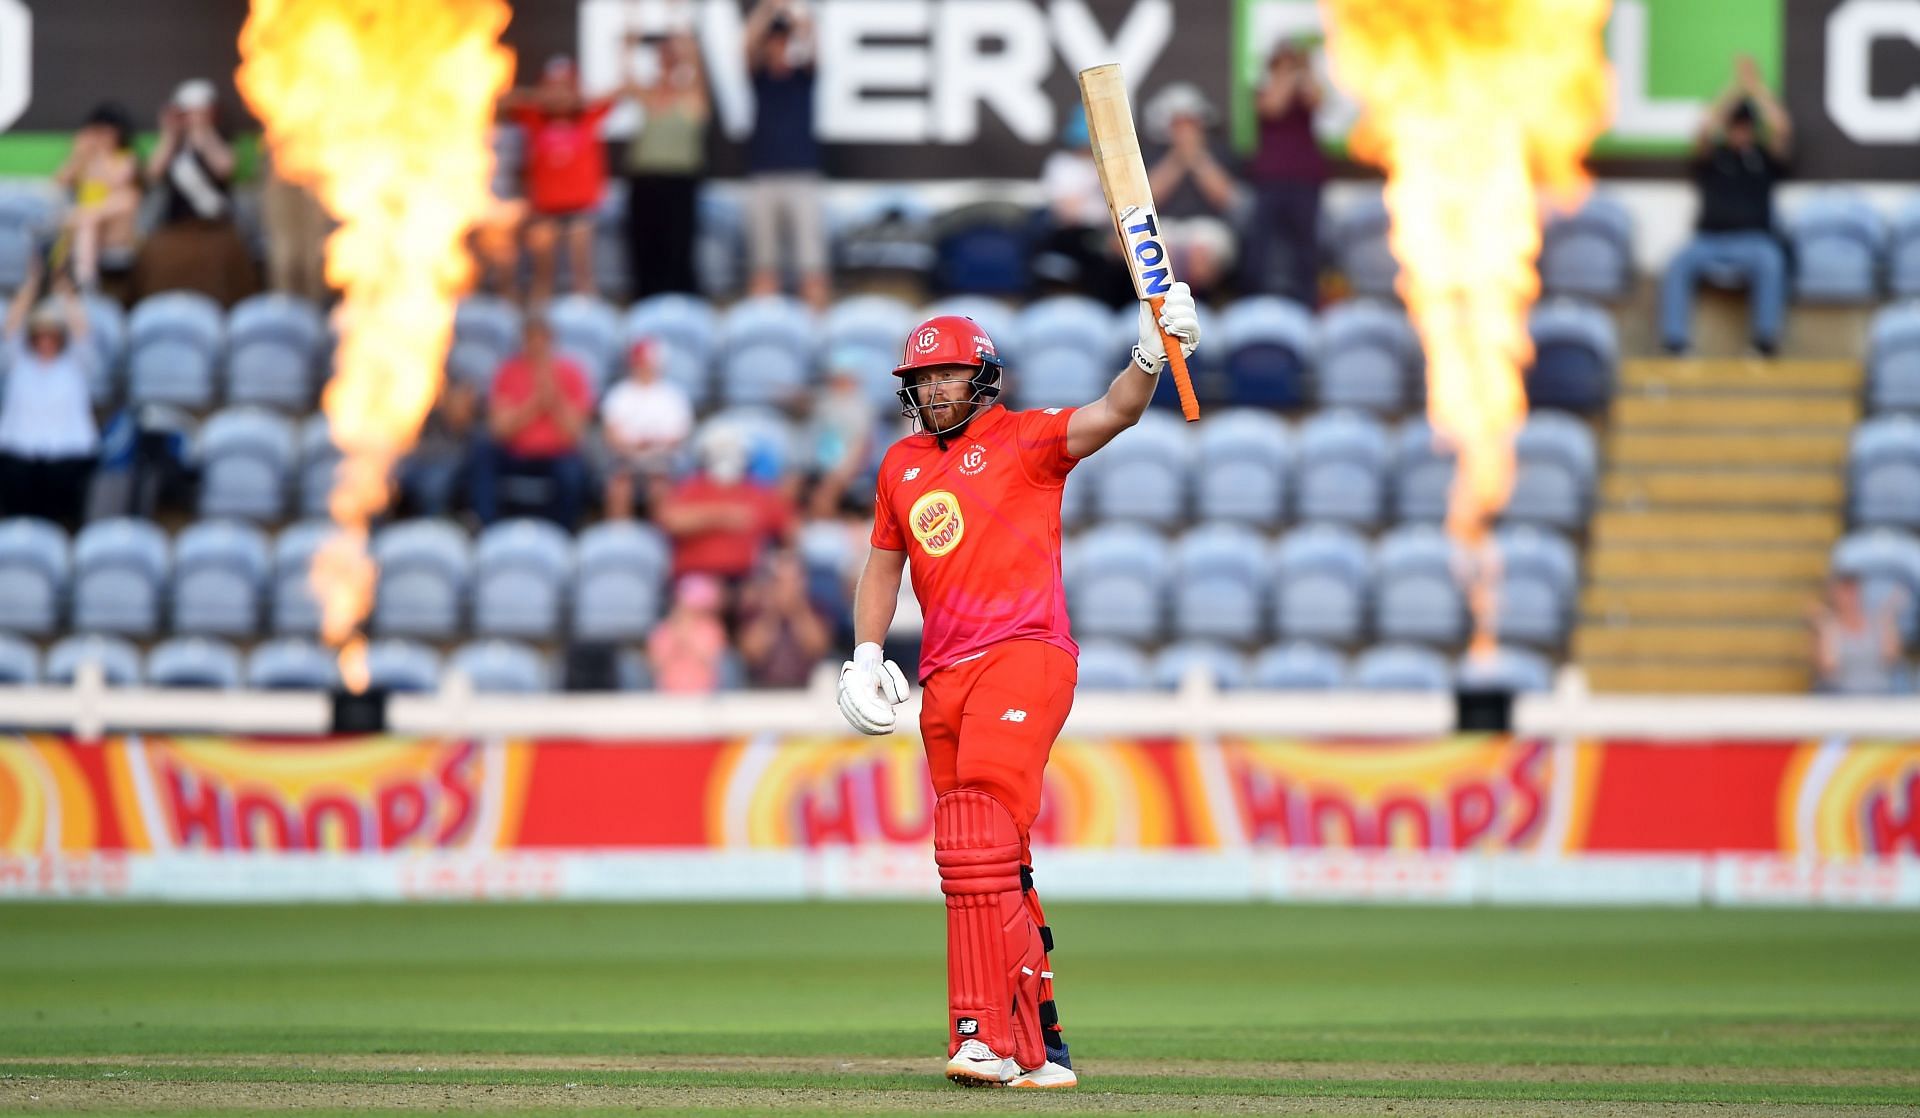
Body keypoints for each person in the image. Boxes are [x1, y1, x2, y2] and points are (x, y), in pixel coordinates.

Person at [836, 282, 1201, 1088]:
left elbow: (1115, 412)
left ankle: (981, 1035)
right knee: (988, 857)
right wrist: (864, 653)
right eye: (922, 381)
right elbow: (883, 564)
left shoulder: (1025, 440)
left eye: (949, 377)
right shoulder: (899, 465)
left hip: (1025, 654)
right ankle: (1041, 1046)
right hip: (943, 675)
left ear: (983, 379)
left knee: (982, 837)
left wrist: (1150, 352)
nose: (934, 391)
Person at [1659, 55, 1792, 357]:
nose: (1740, 132)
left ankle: (1764, 341)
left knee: (1772, 261)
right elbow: (1704, 128)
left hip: (1753, 241)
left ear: (1753, 130)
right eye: (1735, 127)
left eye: (1746, 127)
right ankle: (1676, 342)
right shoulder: (1714, 158)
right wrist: (1734, 88)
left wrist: (1755, 88)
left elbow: (1782, 128)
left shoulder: (1763, 158)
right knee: (1678, 263)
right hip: (1709, 241)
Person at [502, 56, 617, 305]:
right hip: (545, 207)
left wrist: (577, 97)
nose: (559, 95)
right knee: (543, 272)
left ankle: (586, 315)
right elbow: (504, 97)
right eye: (553, 87)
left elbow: (618, 94)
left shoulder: (588, 116)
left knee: (582, 269)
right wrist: (543, 96)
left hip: (581, 206)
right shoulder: (533, 116)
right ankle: (538, 323)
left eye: (565, 87)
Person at [133, 79, 258, 307]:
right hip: (175, 228)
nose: (189, 117)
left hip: (214, 228)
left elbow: (225, 167)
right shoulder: (173, 144)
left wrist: (203, 131)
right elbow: (152, 173)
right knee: (156, 258)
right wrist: (170, 134)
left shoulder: (221, 140)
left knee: (217, 262)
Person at [0, 261, 99, 530]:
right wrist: (32, 284)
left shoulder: (76, 364)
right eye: (40, 335)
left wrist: (64, 289)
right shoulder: (19, 362)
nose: (46, 342)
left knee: (61, 515)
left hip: (67, 454)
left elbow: (82, 331)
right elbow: (11, 327)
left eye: (52, 335)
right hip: (19, 452)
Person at [744, 0, 830, 309]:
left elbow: (813, 37)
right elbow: (747, 43)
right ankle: (764, 327)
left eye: (783, 42)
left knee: (812, 268)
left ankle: (818, 338)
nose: (778, 48)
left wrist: (791, 9)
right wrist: (768, 8)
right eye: (773, 43)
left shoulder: (802, 77)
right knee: (764, 268)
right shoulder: (761, 79)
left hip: (802, 176)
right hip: (764, 176)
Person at [469, 315, 592, 527]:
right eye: (531, 338)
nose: (536, 344)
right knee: (482, 451)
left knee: (574, 471)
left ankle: (565, 529)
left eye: (541, 338)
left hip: (556, 456)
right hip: (515, 454)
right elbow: (499, 431)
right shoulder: (507, 371)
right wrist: (534, 405)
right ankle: (486, 525)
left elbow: (576, 435)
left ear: (551, 339)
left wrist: (554, 402)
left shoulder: (572, 373)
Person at [653, 426, 797, 593]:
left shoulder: (757, 491)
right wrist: (721, 516)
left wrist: (779, 560)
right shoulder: (692, 488)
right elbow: (671, 521)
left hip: (747, 579)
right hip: (699, 577)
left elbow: (789, 528)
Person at [623, 28, 709, 298]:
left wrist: (687, 48)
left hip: (679, 182)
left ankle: (680, 301)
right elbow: (627, 80)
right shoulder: (648, 95)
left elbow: (698, 77)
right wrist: (628, 48)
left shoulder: (691, 97)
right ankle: (646, 300)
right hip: (644, 180)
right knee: (644, 246)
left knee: (678, 246)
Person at [1142, 84, 1249, 300]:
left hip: (1207, 225)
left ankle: (1200, 307)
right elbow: (1146, 200)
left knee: (1199, 254)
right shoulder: (1154, 152)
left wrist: (1197, 158)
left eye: (1190, 122)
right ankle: (1164, 316)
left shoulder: (1219, 151)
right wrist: (1177, 159)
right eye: (1179, 124)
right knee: (1161, 256)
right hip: (1167, 224)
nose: (1185, 130)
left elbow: (1227, 199)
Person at [1245, 42, 1328, 303]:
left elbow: (1318, 100)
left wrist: (1307, 71)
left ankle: (1308, 299)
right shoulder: (1263, 89)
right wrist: (1289, 76)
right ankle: (1252, 296)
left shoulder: (1305, 90)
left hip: (1304, 179)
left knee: (1306, 245)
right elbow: (1273, 107)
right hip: (1271, 179)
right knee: (1261, 243)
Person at [598, 337, 693, 519]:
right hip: (626, 459)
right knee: (619, 488)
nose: (643, 367)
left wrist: (652, 445)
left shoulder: (673, 395)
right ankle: (618, 538)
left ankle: (660, 540)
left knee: (659, 487)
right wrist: (634, 448)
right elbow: (611, 434)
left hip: (663, 461)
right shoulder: (619, 394)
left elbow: (679, 436)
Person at [51, 102, 141, 294]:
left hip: (113, 229)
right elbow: (59, 182)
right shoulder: (84, 158)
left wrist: (99, 154)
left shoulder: (125, 158)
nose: (101, 137)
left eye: (106, 132)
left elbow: (116, 181)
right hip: (85, 225)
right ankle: (85, 278)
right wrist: (78, 155)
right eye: (97, 131)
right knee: (86, 219)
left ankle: (85, 279)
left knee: (109, 206)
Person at [737, 549, 831, 688]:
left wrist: (798, 611)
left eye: (793, 581)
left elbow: (817, 647)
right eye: (780, 581)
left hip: (804, 690)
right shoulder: (755, 611)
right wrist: (771, 613)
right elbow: (752, 653)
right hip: (761, 691)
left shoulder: (815, 609)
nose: (787, 587)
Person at [801, 352, 877, 518]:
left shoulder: (860, 409)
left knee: (826, 494)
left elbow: (860, 450)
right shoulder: (824, 404)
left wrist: (837, 478)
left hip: (847, 471)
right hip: (820, 466)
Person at [1810, 576, 1907, 695]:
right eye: (1844, 592)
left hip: (1880, 695)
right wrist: (1828, 630)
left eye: (1853, 591)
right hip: (1843, 697)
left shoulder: (1877, 623)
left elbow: (1891, 660)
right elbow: (1828, 669)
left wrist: (1888, 618)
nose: (1849, 597)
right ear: (1834, 594)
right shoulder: (1828, 625)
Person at [396, 378, 477, 518]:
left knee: (435, 483)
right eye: (454, 399)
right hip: (426, 464)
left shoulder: (475, 430)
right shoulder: (433, 418)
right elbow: (420, 444)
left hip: (452, 476)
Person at [260, 147, 332, 303]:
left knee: (314, 256)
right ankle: (285, 312)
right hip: (282, 160)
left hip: (317, 162)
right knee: (285, 255)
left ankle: (315, 311)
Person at [646, 573, 730, 694]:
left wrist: (687, 639)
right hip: (667, 694)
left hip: (704, 694)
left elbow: (713, 662)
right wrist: (676, 637)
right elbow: (654, 665)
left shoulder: (712, 629)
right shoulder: (664, 629)